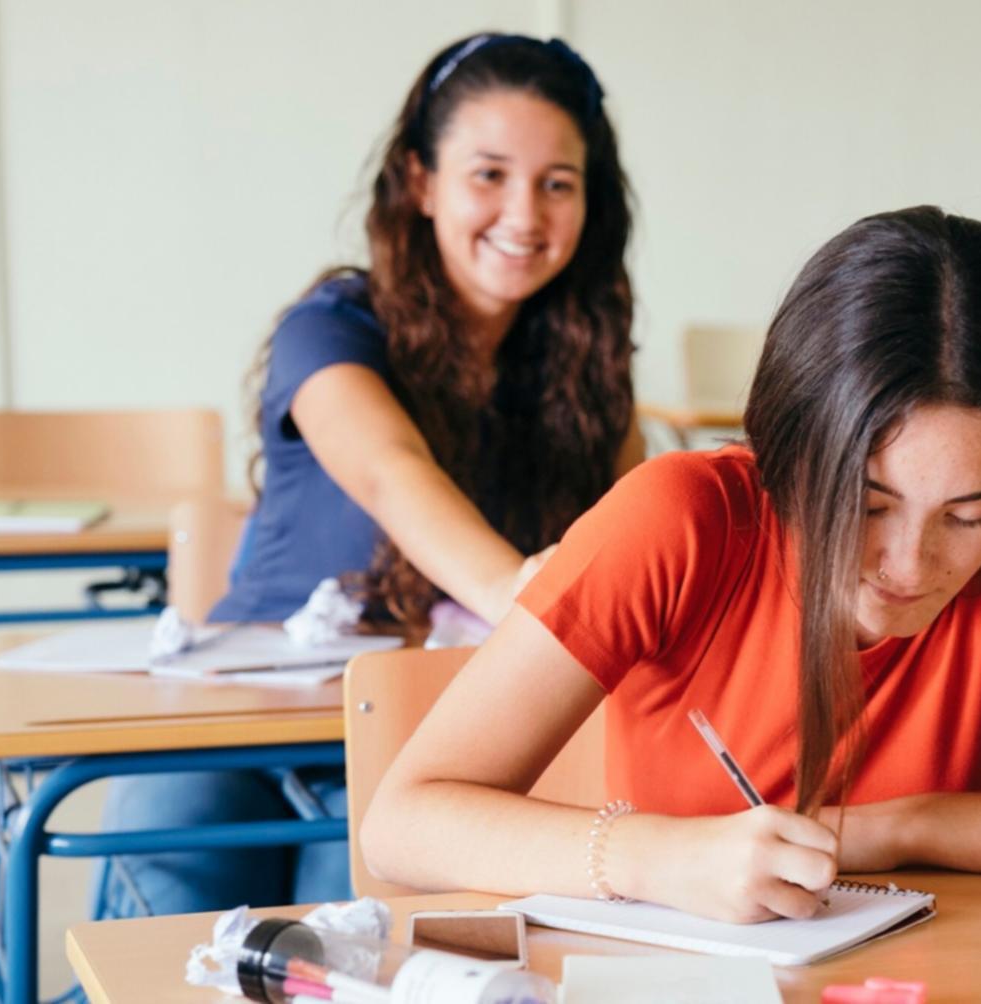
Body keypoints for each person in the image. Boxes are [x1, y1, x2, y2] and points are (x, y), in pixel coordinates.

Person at [363, 206, 981, 922]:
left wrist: (900, 826)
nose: (907, 564)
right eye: (865, 503)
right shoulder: (679, 522)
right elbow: (405, 822)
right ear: (782, 449)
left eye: (968, 516)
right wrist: (662, 857)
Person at [101, 31, 642, 916]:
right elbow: (391, 473)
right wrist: (526, 595)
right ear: (421, 182)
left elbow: (630, 540)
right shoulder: (330, 328)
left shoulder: (592, 376)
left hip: (434, 739)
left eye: (558, 184)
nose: (525, 213)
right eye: (489, 174)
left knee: (357, 937)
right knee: (171, 891)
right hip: (250, 712)